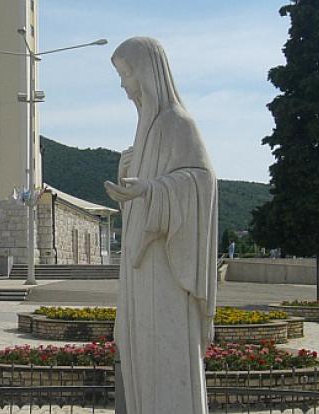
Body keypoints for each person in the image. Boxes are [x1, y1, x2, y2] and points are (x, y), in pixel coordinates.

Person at [104, 37, 217, 414]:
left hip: (167, 273)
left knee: (166, 357)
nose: (123, 85)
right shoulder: (145, 131)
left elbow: (201, 183)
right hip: (141, 270)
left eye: (126, 74)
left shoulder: (177, 123)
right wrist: (129, 192)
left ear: (147, 73)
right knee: (140, 354)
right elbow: (145, 198)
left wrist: (151, 189)